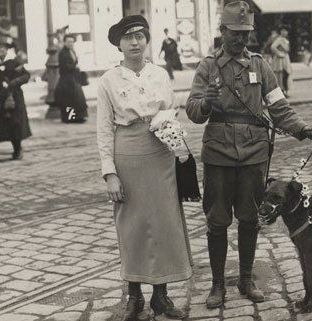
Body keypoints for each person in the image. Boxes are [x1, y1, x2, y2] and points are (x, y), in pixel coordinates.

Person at [185, 1, 312, 309]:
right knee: (217, 221)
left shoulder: (260, 65)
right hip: (219, 154)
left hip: (254, 155)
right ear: (222, 32)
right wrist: (205, 103)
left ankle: (246, 279)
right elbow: (192, 111)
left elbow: (278, 106)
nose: (241, 40)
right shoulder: (207, 67)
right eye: (235, 33)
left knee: (250, 219)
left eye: (246, 34)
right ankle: (218, 285)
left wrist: (301, 129)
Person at [97, 15, 192, 321]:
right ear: (119, 44)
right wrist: (110, 172)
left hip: (159, 153)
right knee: (133, 226)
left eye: (140, 36)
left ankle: (161, 297)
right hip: (128, 154)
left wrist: (178, 148)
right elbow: (103, 130)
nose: (135, 43)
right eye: (128, 38)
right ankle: (134, 297)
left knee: (164, 223)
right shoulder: (108, 81)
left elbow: (169, 113)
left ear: (147, 40)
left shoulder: (160, 74)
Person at [0, 42, 31, 160]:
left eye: (2, 49)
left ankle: (17, 149)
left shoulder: (14, 62)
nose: (1, 52)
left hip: (14, 97)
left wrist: (15, 82)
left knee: (15, 124)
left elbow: (26, 76)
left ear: (7, 51)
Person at [54, 34, 88, 123]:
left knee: (77, 99)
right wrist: (75, 67)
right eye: (69, 42)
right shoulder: (63, 53)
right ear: (64, 42)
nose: (71, 43)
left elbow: (74, 62)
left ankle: (77, 117)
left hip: (73, 78)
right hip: (66, 79)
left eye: (72, 42)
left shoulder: (72, 51)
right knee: (68, 100)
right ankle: (69, 118)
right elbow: (65, 66)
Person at [270, 25, 292, 97]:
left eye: (286, 31)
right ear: (280, 32)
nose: (285, 32)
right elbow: (273, 47)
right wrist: (279, 53)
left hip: (285, 59)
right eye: (283, 31)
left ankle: (285, 90)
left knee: (286, 74)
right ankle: (282, 91)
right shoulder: (279, 39)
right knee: (281, 75)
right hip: (280, 60)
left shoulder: (285, 39)